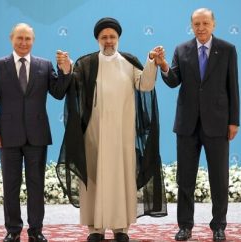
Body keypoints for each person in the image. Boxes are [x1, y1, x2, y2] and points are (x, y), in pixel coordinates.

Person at [55, 17, 167, 242]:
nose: (108, 41)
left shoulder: (129, 62)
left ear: (118, 39)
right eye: (104, 37)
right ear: (97, 39)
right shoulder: (86, 63)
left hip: (123, 135)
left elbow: (145, 84)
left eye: (112, 37)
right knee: (94, 179)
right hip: (93, 134)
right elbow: (74, 86)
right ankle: (95, 229)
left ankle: (121, 228)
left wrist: (151, 62)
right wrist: (66, 69)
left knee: (121, 179)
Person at [158, 8, 240, 241]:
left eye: (205, 23)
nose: (201, 28)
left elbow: (233, 86)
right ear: (191, 26)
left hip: (218, 124)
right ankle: (185, 226)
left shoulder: (227, 49)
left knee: (219, 179)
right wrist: (164, 65)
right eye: (196, 24)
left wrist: (234, 121)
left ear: (213, 24)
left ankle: (219, 227)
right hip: (187, 125)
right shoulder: (181, 50)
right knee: (185, 179)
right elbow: (173, 81)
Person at [0, 23, 70, 242]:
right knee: (10, 184)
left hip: (37, 135)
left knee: (36, 184)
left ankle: (36, 230)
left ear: (33, 41)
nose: (24, 43)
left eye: (28, 39)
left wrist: (65, 70)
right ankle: (13, 230)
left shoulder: (45, 65)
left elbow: (59, 93)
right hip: (8, 135)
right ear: (11, 39)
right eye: (19, 38)